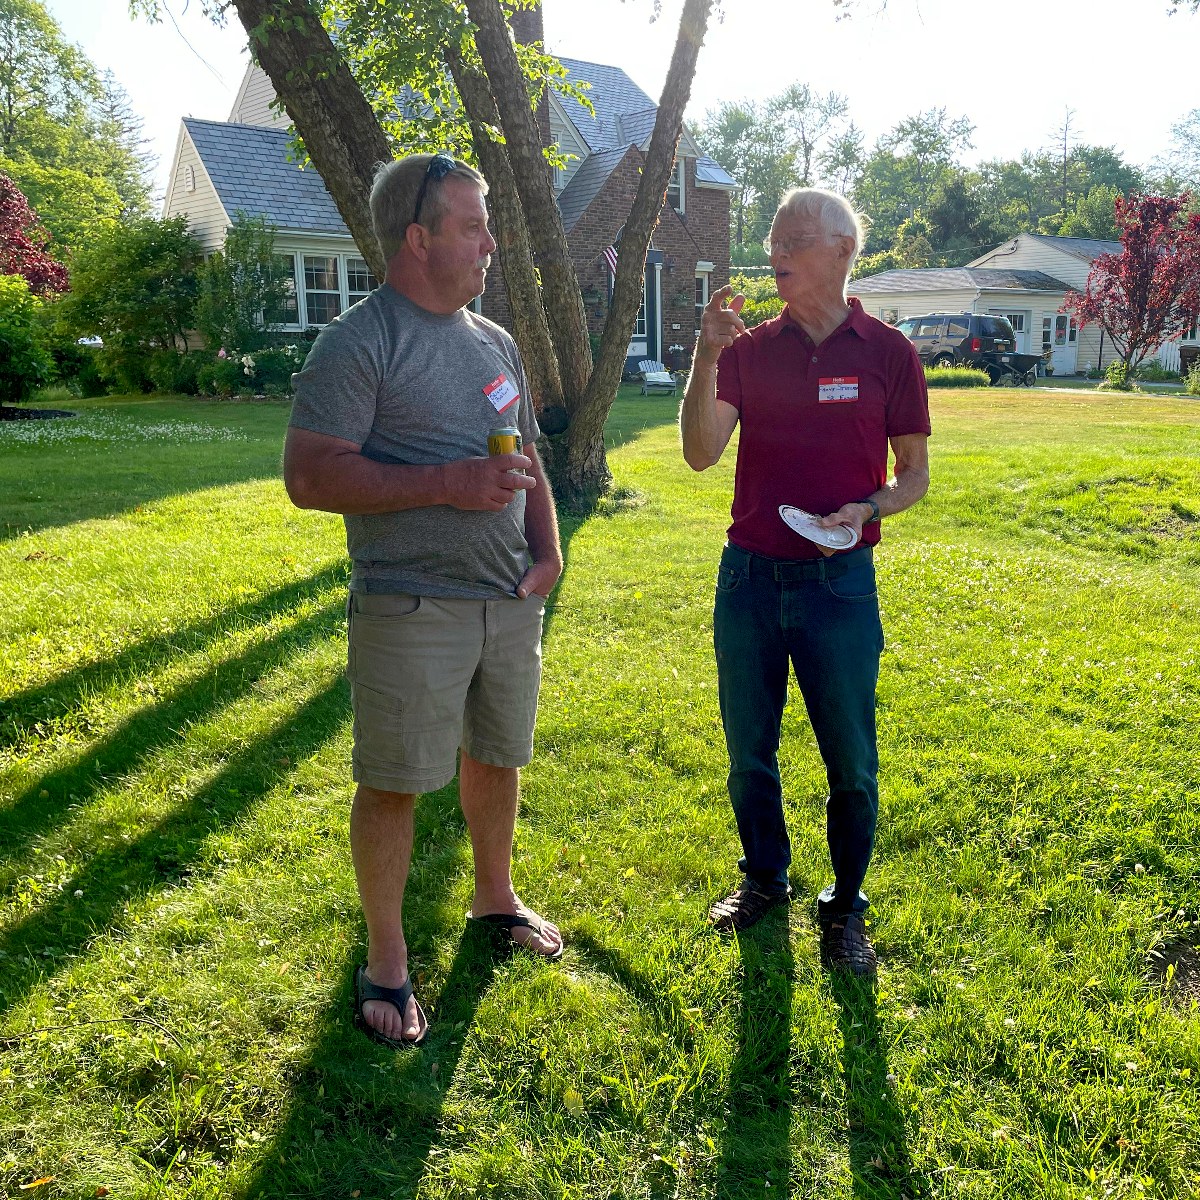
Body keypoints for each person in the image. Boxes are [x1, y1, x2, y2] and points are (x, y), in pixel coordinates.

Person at [284, 153, 564, 1046]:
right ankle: (388, 959)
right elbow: (310, 475)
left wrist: (547, 550)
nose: (492, 242)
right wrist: (448, 482)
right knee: (396, 783)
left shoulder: (494, 339)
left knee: (496, 755)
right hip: (411, 605)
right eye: (475, 226)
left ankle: (494, 899)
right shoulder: (360, 341)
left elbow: (525, 456)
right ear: (419, 237)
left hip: (508, 599)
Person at [680, 187, 930, 975]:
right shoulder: (749, 350)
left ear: (842, 250)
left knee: (851, 760)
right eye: (774, 237)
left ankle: (846, 907)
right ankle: (764, 879)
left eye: (795, 238)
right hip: (750, 579)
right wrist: (705, 355)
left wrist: (868, 507)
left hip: (840, 585)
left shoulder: (889, 353)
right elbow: (698, 452)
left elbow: (915, 476)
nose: (777, 251)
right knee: (749, 749)